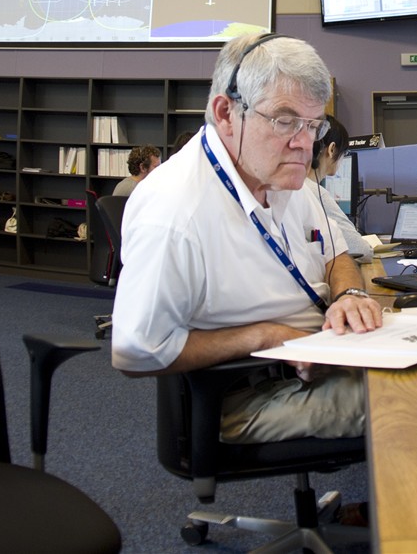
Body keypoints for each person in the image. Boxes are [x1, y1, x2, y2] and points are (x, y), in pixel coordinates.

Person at [110, 32, 383, 443]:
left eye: (313, 125)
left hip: (322, 355)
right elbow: (135, 350)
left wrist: (347, 295)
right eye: (285, 121)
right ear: (225, 112)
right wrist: (266, 336)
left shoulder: (291, 180)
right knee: (413, 401)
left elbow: (337, 255)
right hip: (247, 390)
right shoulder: (174, 211)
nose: (304, 143)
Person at [307, 115, 373, 261]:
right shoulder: (316, 193)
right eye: (344, 153)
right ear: (332, 149)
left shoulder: (293, 188)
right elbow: (361, 251)